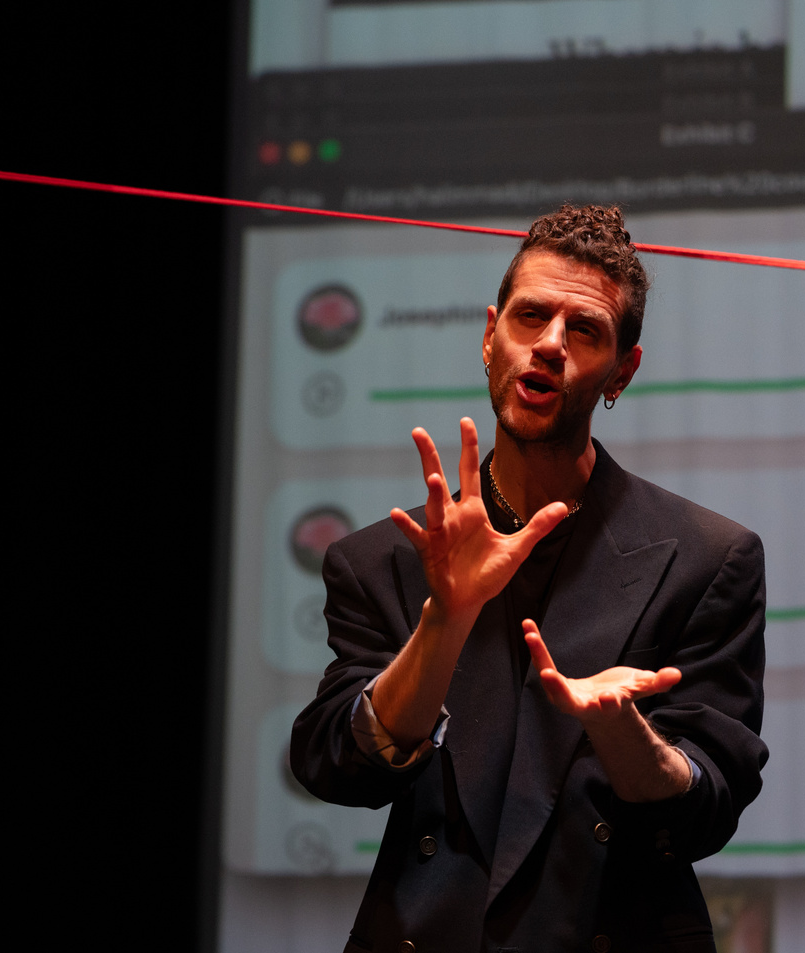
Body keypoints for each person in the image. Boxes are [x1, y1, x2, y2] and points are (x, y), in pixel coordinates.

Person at [290, 205, 768, 953]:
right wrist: (445, 618)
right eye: (530, 317)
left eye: (584, 330)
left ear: (623, 369)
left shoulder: (708, 557)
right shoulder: (380, 558)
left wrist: (626, 737)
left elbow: (711, 806)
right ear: (490, 335)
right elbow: (333, 765)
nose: (549, 345)